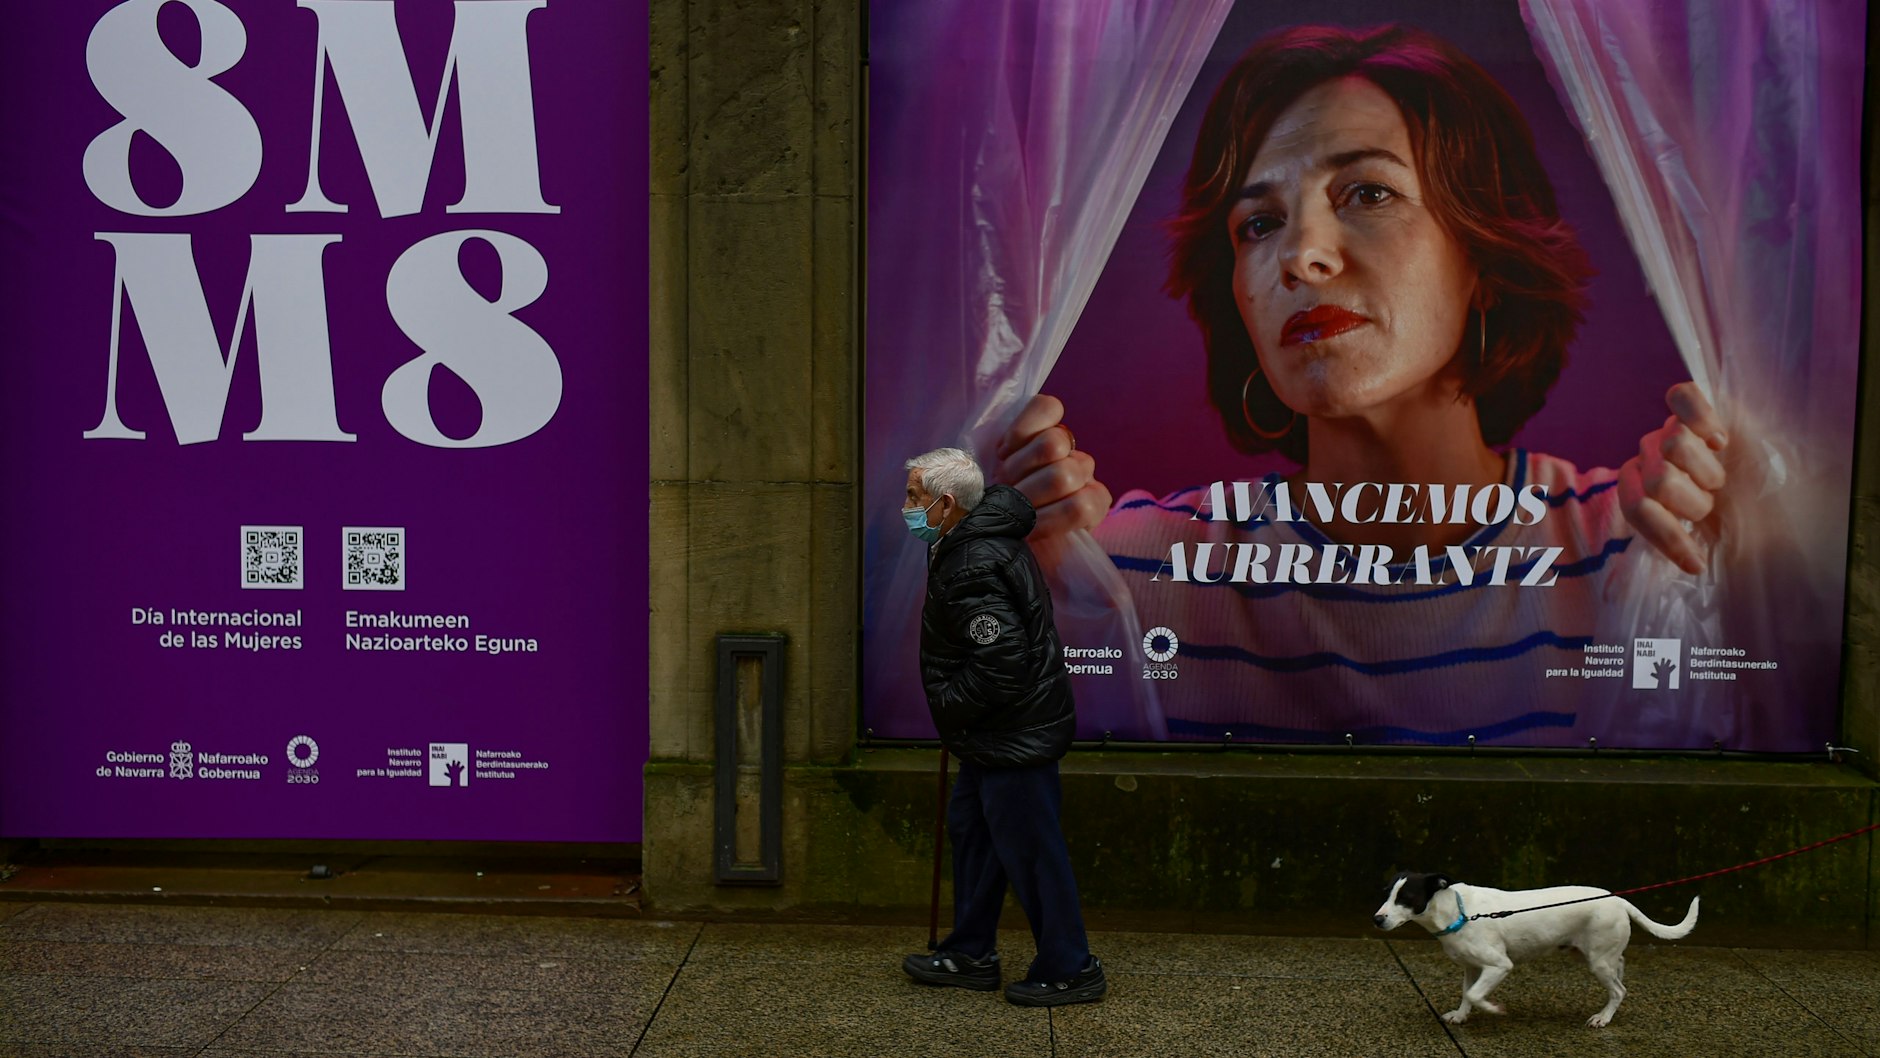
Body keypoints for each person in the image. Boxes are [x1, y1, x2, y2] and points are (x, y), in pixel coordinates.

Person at [990, 24, 1741, 745]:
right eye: (1258, 223)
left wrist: (1756, 529)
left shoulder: (1643, 548)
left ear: (1482, 254)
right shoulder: (1121, 575)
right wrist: (995, 575)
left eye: (1368, 193)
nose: (1300, 256)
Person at [896, 447, 1106, 1006]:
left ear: (945, 504)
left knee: (1032, 851)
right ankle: (970, 952)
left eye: (915, 497)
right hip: (997, 734)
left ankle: (1070, 967)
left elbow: (1002, 658)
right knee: (977, 836)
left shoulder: (972, 561)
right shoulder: (967, 544)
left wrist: (950, 705)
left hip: (1012, 734)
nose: (907, 507)